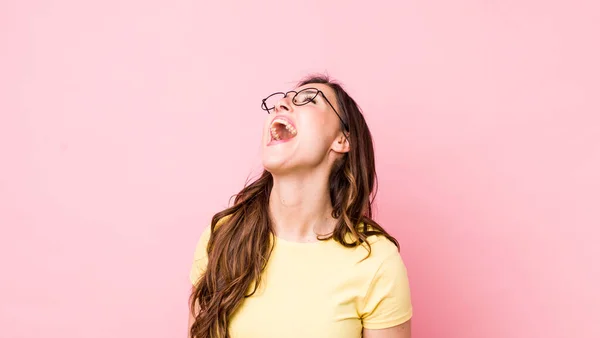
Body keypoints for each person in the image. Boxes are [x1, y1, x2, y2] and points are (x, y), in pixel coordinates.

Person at [187, 74, 412, 338]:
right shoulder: (222, 236)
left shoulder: (376, 261)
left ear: (341, 140)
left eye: (307, 100)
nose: (282, 104)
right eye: (282, 101)